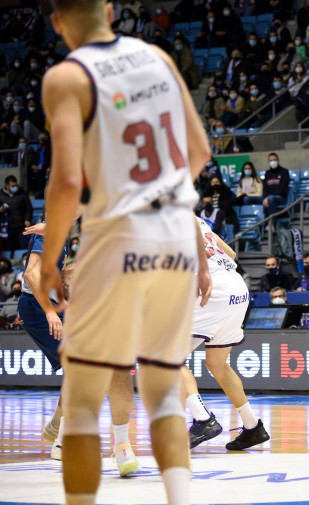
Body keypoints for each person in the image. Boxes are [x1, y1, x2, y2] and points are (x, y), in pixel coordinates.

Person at [38, 0, 212, 502]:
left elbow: (67, 181)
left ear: (57, 22)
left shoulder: (66, 78)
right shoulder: (157, 57)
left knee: (84, 396)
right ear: (110, 10)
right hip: (176, 236)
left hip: (117, 238)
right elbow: (198, 152)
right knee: (162, 391)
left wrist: (50, 260)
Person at [21, 220, 141, 474]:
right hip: (38, 307)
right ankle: (62, 439)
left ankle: (59, 429)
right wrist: (51, 312)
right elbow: (31, 274)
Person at [181, 218, 269, 450]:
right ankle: (252, 426)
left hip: (215, 290)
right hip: (238, 287)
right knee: (217, 363)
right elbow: (230, 253)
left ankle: (202, 419)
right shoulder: (199, 220)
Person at [0, 175, 32, 252]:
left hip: (21, 225)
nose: (15, 187)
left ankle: (24, 261)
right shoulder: (1, 195)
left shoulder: (22, 194)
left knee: (23, 246)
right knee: (7, 247)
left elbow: (29, 208)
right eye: (12, 186)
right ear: (7, 186)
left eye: (15, 185)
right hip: (7, 227)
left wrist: (27, 219)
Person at [261, 152, 290, 224]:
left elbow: (283, 189)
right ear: (268, 162)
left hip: (281, 198)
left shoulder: (284, 172)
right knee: (248, 199)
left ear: (278, 160)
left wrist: (268, 198)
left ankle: (271, 224)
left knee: (271, 198)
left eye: (274, 160)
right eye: (271, 160)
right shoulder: (267, 173)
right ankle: (258, 226)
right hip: (268, 198)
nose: (273, 162)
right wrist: (265, 197)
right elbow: (265, 187)